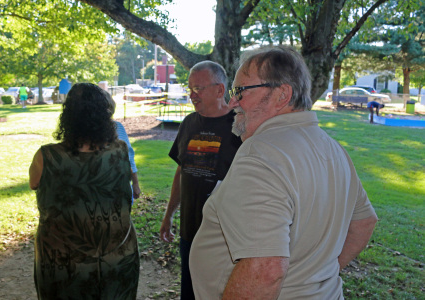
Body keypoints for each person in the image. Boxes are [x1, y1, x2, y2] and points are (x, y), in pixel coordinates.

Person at [190, 46, 378, 299]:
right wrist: (314, 279)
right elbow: (364, 222)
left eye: (241, 91)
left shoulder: (260, 154)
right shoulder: (333, 148)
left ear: (282, 94)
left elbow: (265, 270)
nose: (233, 102)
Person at [29, 83, 139, 299]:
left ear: (68, 116)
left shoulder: (46, 157)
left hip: (62, 264)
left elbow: (34, 184)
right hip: (116, 257)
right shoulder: (120, 151)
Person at [159, 61, 242, 299]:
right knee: (190, 292)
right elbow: (182, 172)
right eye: (190, 89)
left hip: (224, 237)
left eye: (199, 89)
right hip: (190, 230)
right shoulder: (189, 123)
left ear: (219, 90)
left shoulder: (241, 126)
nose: (192, 95)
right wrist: (169, 214)